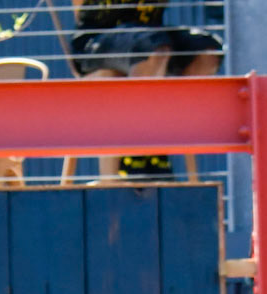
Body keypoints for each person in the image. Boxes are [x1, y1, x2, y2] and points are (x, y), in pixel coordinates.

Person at [67, 0, 222, 183]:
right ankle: (134, 153)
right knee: (153, 49)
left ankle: (167, 145)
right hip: (96, 42)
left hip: (151, 35)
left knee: (208, 52)